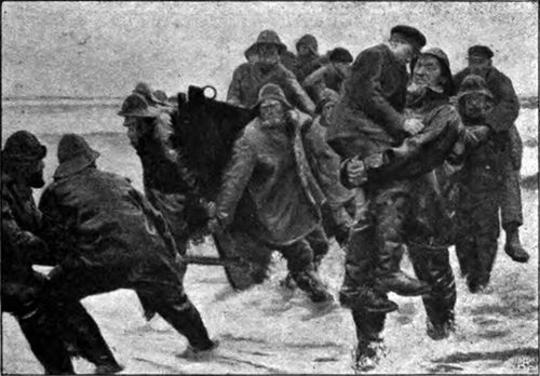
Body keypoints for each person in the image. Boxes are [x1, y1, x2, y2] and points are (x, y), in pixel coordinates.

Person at [38, 134, 218, 364]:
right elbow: (157, 219)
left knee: (54, 293)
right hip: (149, 256)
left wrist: (65, 261)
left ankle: (100, 359)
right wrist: (172, 254)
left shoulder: (55, 192)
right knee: (174, 302)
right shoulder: (119, 181)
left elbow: (51, 237)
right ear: (90, 161)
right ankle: (203, 347)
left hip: (100, 262)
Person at [338, 46, 463, 370]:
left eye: (431, 67)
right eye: (418, 65)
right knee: (364, 276)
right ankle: (369, 350)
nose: (421, 71)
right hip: (380, 203)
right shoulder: (392, 109)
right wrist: (349, 169)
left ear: (443, 79)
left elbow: (415, 151)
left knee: (434, 280)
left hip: (425, 206)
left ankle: (443, 343)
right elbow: (359, 143)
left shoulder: (445, 114)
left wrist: (368, 166)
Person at [327, 25, 430, 316]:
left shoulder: (400, 70)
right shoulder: (374, 55)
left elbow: (391, 103)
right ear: (396, 43)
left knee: (373, 208)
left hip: (367, 133)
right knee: (392, 193)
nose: (411, 59)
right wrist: (401, 124)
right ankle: (386, 272)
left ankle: (356, 288)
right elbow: (368, 95)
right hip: (355, 129)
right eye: (409, 52)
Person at [1, 131, 122, 374]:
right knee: (30, 300)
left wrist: (71, 244)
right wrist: (56, 253)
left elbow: (40, 224)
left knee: (57, 292)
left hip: (13, 271)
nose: (43, 165)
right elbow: (16, 239)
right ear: (24, 165)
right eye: (38, 161)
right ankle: (62, 371)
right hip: (6, 275)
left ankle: (103, 361)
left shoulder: (19, 187)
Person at [210, 83, 335, 303]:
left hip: (299, 202)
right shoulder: (250, 138)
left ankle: (292, 281)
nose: (269, 111)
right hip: (272, 211)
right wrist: (222, 214)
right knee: (302, 254)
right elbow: (234, 180)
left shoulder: (291, 124)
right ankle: (316, 296)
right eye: (264, 107)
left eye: (274, 106)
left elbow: (310, 120)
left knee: (321, 245)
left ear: (284, 107)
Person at [453, 45, 528, 263]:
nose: (475, 66)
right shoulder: (459, 78)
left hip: (499, 135)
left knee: (509, 180)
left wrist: (488, 126)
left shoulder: (500, 81)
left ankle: (513, 237)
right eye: (472, 61)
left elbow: (511, 107)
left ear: (489, 63)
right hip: (465, 134)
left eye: (480, 62)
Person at [227, 29, 315, 115]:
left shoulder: (286, 75)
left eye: (271, 48)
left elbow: (303, 99)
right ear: (257, 50)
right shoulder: (242, 71)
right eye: (263, 48)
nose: (267, 51)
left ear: (278, 51)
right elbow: (232, 97)